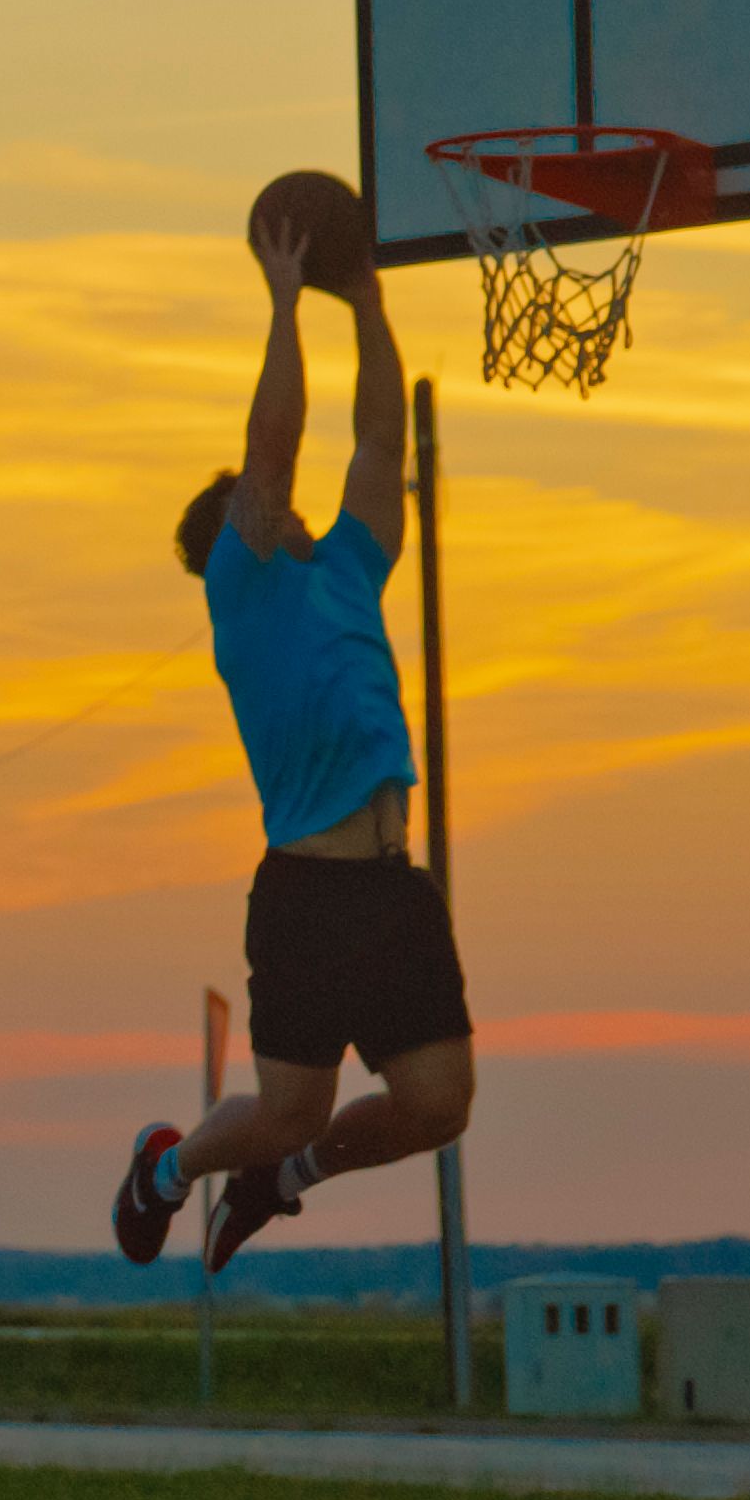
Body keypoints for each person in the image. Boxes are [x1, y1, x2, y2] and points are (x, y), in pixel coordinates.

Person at [113, 189, 473, 1273]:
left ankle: (282, 1182)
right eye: (259, 504)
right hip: (309, 894)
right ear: (232, 538)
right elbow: (274, 446)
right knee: (287, 1108)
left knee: (437, 1105)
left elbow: (377, 436)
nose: (283, 503)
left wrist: (365, 303)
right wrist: (283, 305)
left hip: (392, 887)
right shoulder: (247, 592)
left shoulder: (349, 567)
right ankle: (167, 1170)